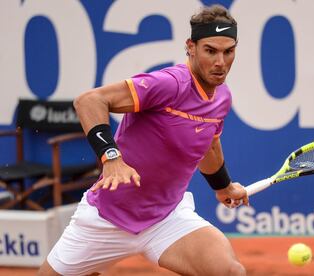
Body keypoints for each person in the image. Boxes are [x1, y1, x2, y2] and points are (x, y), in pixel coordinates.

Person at [38, 4, 248, 276]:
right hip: (107, 218)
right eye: (210, 50)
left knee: (230, 272)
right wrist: (111, 157)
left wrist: (223, 187)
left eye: (228, 51)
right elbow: (89, 100)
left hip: (166, 219)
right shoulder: (169, 83)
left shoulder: (222, 97)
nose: (220, 62)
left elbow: (208, 145)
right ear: (191, 47)